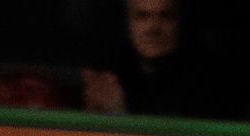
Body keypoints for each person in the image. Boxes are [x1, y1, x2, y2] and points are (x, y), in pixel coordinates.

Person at [81, 0, 225, 120]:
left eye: (166, 16)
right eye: (142, 16)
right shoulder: (109, 73)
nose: (153, 28)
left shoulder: (211, 79)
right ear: (128, 22)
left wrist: (118, 116)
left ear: (181, 21)